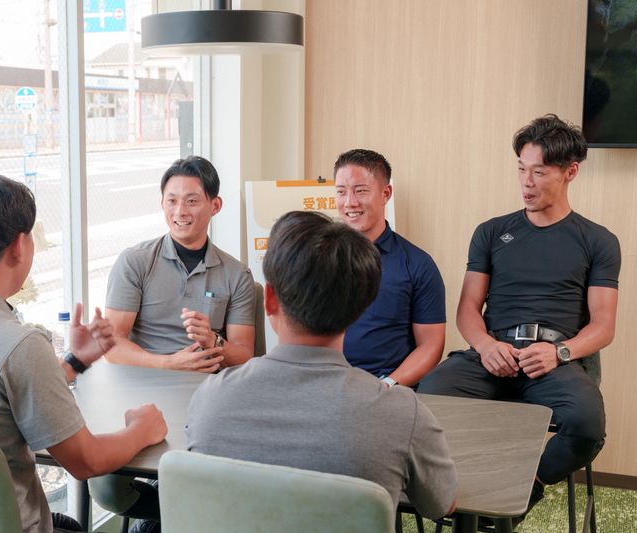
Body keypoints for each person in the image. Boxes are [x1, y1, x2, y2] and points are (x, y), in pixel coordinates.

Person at [0, 171, 168, 533]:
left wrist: (74, 362)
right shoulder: (18, 342)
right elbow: (86, 462)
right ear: (19, 246)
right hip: (1, 525)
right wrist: (140, 429)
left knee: (68, 524)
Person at [186, 210, 457, 519]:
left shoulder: (211, 398)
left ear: (270, 299)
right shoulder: (401, 414)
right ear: (360, 306)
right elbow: (443, 505)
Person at [419, 114, 620, 522]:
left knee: (586, 424)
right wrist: (485, 345)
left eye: (539, 172)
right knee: (429, 398)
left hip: (552, 361)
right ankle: (461, 492)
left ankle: (523, 492)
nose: (527, 182)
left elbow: (603, 326)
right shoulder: (491, 232)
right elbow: (468, 308)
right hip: (494, 352)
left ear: (570, 172)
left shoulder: (597, 240)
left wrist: (559, 353)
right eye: (521, 169)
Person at [104, 155, 256, 372]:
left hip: (211, 384)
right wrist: (169, 364)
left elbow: (244, 356)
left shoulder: (237, 274)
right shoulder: (134, 261)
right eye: (172, 201)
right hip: (146, 381)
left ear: (215, 205)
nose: (180, 211)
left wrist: (213, 340)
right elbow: (111, 343)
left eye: (192, 201)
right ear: (162, 203)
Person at [334, 149, 446, 387]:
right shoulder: (317, 258)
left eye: (360, 191)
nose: (349, 202)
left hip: (385, 387)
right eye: (341, 192)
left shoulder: (417, 264)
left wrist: (388, 385)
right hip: (324, 383)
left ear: (386, 193)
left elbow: (431, 345)